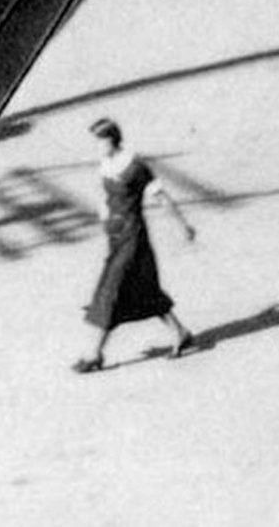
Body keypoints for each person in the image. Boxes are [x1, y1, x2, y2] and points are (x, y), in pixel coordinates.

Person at [73, 116, 202, 373]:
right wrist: (104, 221)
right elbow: (105, 198)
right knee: (143, 291)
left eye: (100, 142)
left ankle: (93, 354)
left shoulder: (135, 167)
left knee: (110, 293)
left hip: (133, 238)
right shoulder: (105, 164)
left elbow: (161, 197)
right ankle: (180, 333)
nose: (97, 147)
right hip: (116, 238)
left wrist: (183, 225)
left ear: (111, 139)